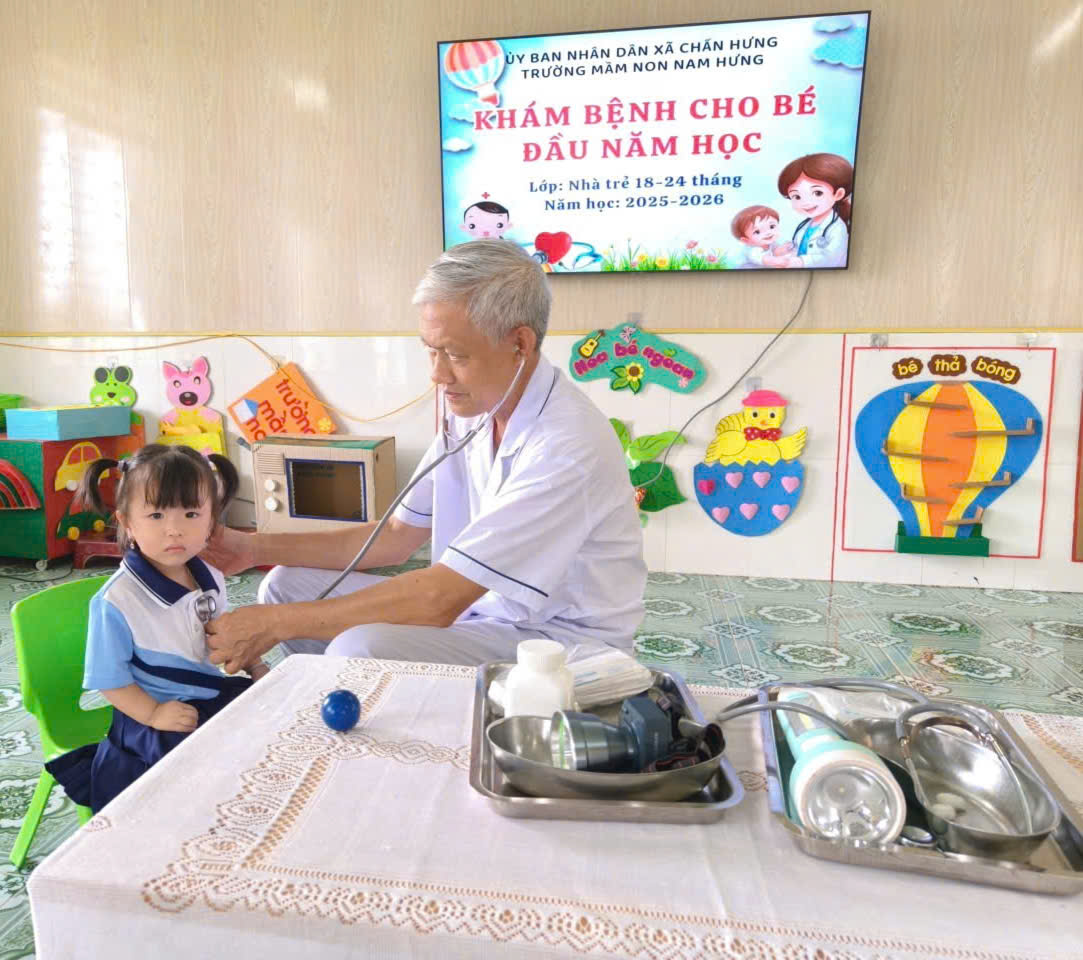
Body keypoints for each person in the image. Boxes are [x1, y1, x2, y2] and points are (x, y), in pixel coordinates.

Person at [203, 238, 647, 671]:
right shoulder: (474, 412)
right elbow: (397, 536)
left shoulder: (567, 446)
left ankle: (372, 701)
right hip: (479, 613)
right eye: (431, 350)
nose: (437, 374)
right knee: (284, 586)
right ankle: (355, 699)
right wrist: (251, 547)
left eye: (455, 354)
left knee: (358, 649)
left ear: (520, 344)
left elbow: (439, 599)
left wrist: (275, 625)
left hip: (557, 644)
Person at [44, 444, 264, 813]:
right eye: (157, 515)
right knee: (196, 774)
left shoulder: (209, 577)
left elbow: (220, 636)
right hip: (147, 714)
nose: (175, 530)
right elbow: (109, 681)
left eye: (191, 514)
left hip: (206, 695)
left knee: (266, 727)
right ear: (127, 522)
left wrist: (252, 662)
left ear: (212, 520)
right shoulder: (116, 601)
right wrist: (153, 714)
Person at [770, 153, 853, 269]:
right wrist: (784, 252)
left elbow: (831, 259)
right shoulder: (805, 225)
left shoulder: (837, 228)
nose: (805, 202)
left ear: (838, 194)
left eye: (818, 193)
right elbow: (799, 249)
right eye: (797, 196)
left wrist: (800, 262)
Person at [729, 204, 787, 268]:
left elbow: (775, 252)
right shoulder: (752, 250)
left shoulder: (772, 243)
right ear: (746, 240)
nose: (768, 233)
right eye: (757, 232)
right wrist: (777, 261)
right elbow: (765, 259)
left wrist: (784, 249)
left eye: (772, 227)